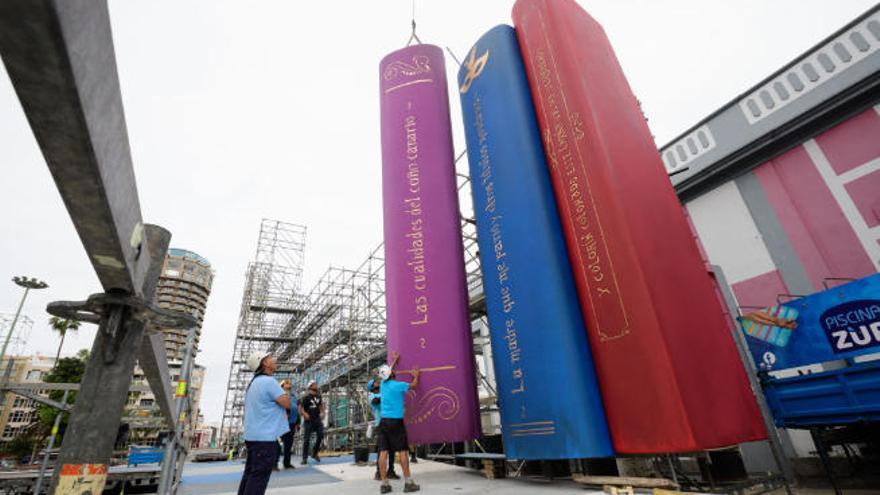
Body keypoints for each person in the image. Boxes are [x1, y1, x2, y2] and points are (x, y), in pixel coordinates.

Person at [237, 352, 290, 495]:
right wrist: (286, 390)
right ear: (264, 363)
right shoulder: (268, 382)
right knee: (259, 478)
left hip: (253, 437)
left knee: (251, 474)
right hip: (264, 439)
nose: (274, 359)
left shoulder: (254, 383)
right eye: (270, 358)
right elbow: (286, 403)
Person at [377, 352, 420, 493]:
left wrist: (394, 361)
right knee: (402, 451)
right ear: (392, 374)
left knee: (383, 452)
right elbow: (413, 385)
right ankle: (408, 483)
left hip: (383, 422)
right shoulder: (398, 385)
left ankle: (384, 484)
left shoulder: (383, 384)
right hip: (396, 422)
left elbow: (388, 371)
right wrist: (416, 375)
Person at [368, 378, 398, 481]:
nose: (378, 383)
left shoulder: (383, 393)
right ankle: (378, 472)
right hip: (381, 424)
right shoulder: (372, 396)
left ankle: (391, 471)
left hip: (391, 421)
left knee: (392, 450)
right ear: (372, 387)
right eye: (376, 383)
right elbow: (376, 401)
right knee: (382, 449)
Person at [298, 381, 326, 465]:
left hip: (317, 420)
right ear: (310, 386)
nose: (316, 385)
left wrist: (322, 413)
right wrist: (304, 414)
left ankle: (314, 452)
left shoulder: (318, 396)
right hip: (309, 420)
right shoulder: (305, 397)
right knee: (306, 440)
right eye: (314, 384)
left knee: (321, 435)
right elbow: (300, 407)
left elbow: (321, 406)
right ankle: (304, 458)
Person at [277, 379, 299, 469]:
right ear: (282, 385)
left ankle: (287, 463)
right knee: (279, 442)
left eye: (289, 383)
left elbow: (296, 409)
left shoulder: (293, 396)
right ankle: (274, 462)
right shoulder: (280, 395)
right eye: (286, 383)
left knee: (289, 444)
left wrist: (298, 422)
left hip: (292, 422)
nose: (289, 384)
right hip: (282, 422)